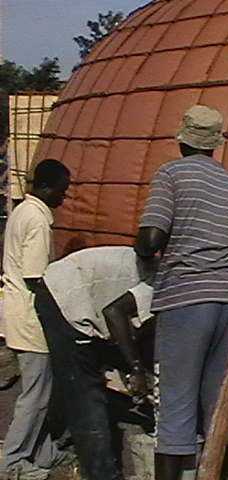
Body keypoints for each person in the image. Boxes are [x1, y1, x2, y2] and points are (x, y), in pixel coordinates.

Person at [135, 105, 228, 480]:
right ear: (215, 143)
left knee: (174, 408)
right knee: (217, 405)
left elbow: (150, 239)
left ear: (182, 138)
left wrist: (145, 247)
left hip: (185, 297)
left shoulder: (171, 174)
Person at [32, 246, 155, 480]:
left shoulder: (168, 279)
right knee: (85, 393)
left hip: (78, 288)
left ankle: (59, 437)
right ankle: (102, 474)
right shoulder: (162, 286)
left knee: (78, 381)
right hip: (64, 295)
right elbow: (113, 313)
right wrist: (136, 368)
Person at [1, 159, 71, 480]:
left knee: (40, 390)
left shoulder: (22, 212)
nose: (63, 196)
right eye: (61, 190)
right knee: (36, 394)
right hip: (30, 317)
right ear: (46, 187)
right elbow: (35, 277)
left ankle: (41, 452)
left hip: (16, 312)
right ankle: (12, 460)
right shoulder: (39, 221)